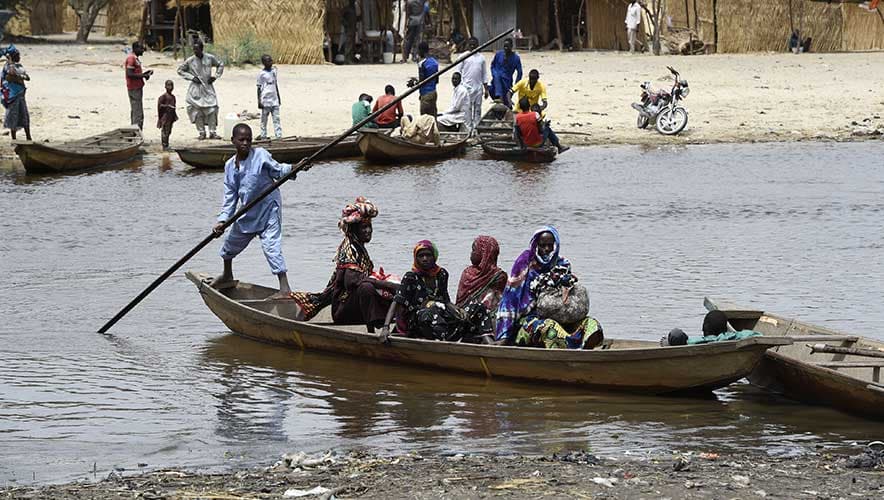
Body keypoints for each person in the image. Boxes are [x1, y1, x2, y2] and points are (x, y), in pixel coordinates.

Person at [211, 124, 293, 299]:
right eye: (241, 140)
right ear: (233, 140)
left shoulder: (261, 155)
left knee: (271, 246)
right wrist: (222, 221)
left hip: (269, 209)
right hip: (248, 211)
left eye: (249, 139)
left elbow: (278, 171)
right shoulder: (229, 166)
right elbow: (230, 196)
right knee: (230, 245)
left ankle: (285, 289)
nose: (246, 143)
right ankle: (227, 275)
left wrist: (293, 168)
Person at [290, 197, 396, 329]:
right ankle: (372, 329)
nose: (368, 231)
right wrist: (387, 285)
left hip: (352, 306)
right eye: (363, 227)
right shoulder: (349, 249)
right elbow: (353, 282)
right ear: (353, 230)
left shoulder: (359, 247)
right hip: (343, 310)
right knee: (366, 287)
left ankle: (384, 321)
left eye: (369, 226)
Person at [495, 226, 603, 349]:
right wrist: (504, 335)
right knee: (549, 328)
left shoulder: (562, 264)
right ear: (536, 245)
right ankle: (567, 350)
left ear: (555, 245)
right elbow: (510, 300)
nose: (546, 249)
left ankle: (578, 347)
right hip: (530, 319)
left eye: (550, 245)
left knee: (592, 325)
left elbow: (568, 298)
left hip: (561, 318)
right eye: (542, 245)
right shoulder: (525, 263)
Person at [381, 240, 460, 341]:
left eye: (428, 255)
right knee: (430, 310)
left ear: (434, 257)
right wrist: (385, 327)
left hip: (438, 316)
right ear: (416, 258)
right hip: (417, 319)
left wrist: (457, 312)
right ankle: (440, 341)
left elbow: (445, 299)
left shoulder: (442, 274)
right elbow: (397, 301)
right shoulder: (411, 277)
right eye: (421, 256)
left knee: (470, 310)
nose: (425, 259)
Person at [455, 236, 507, 344]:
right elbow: (460, 304)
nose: (471, 254)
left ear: (484, 253)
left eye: (474, 250)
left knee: (493, 297)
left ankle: (493, 336)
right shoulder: (467, 273)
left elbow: (498, 301)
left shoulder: (499, 276)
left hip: (492, 318)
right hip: (469, 315)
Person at [178, 39, 224, 140]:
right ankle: (201, 132)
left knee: (212, 109)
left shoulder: (210, 58)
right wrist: (191, 77)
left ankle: (212, 132)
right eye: (194, 49)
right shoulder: (190, 60)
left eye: (197, 49)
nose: (195, 51)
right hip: (196, 88)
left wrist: (215, 76)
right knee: (196, 110)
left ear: (201, 49)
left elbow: (220, 64)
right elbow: (180, 70)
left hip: (208, 87)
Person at [661, 310, 761, 346]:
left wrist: (667, 341)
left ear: (705, 328)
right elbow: (757, 335)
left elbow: (677, 337)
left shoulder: (699, 342)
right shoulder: (733, 337)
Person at [457, 37, 487, 133]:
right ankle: (468, 130)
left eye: (474, 44)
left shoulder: (481, 58)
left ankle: (476, 129)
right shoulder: (463, 56)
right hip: (467, 87)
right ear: (468, 45)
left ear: (478, 45)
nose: (473, 46)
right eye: (471, 44)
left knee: (477, 109)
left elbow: (484, 74)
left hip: (478, 88)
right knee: (467, 110)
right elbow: (458, 72)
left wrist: (486, 89)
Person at [1, 45, 31, 141]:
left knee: (24, 115)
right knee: (13, 117)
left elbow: (27, 77)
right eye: (17, 55)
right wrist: (10, 62)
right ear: (11, 56)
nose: (19, 57)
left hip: (20, 95)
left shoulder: (19, 66)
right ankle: (14, 139)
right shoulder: (8, 66)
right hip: (12, 96)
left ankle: (28, 137)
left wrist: (20, 77)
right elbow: (12, 73)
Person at [125, 41, 153, 130]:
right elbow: (129, 74)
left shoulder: (134, 58)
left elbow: (134, 73)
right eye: (141, 48)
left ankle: (135, 132)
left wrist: (144, 74)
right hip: (134, 88)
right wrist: (143, 75)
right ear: (135, 49)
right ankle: (136, 134)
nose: (143, 50)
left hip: (136, 87)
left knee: (136, 111)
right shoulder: (131, 59)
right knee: (138, 112)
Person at [489, 38, 522, 108]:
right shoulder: (498, 54)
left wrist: (515, 86)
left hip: (507, 82)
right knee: (492, 88)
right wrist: (494, 74)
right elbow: (492, 66)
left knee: (506, 103)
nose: (506, 48)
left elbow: (520, 72)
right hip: (496, 81)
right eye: (504, 46)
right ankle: (499, 97)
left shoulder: (516, 58)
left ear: (511, 46)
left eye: (507, 46)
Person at [256, 54, 282, 140]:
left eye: (271, 60)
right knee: (264, 120)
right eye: (268, 61)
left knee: (276, 119)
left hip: (274, 99)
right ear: (264, 63)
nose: (271, 62)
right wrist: (259, 101)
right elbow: (259, 88)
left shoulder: (274, 71)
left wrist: (278, 96)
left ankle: (278, 136)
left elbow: (275, 84)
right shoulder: (261, 74)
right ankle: (263, 135)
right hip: (265, 100)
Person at [409, 41, 438, 116]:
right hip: (433, 92)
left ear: (421, 51)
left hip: (425, 94)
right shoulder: (434, 62)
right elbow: (436, 80)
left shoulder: (422, 64)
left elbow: (422, 82)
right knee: (433, 117)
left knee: (424, 119)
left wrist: (413, 83)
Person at [156, 80, 178, 151]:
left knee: (169, 131)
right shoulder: (163, 97)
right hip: (164, 117)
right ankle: (164, 145)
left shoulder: (173, 97)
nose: (170, 87)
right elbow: (159, 106)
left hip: (170, 117)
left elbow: (174, 107)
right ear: (165, 87)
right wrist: (167, 106)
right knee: (165, 131)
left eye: (171, 85)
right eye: (168, 85)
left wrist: (175, 115)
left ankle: (166, 144)